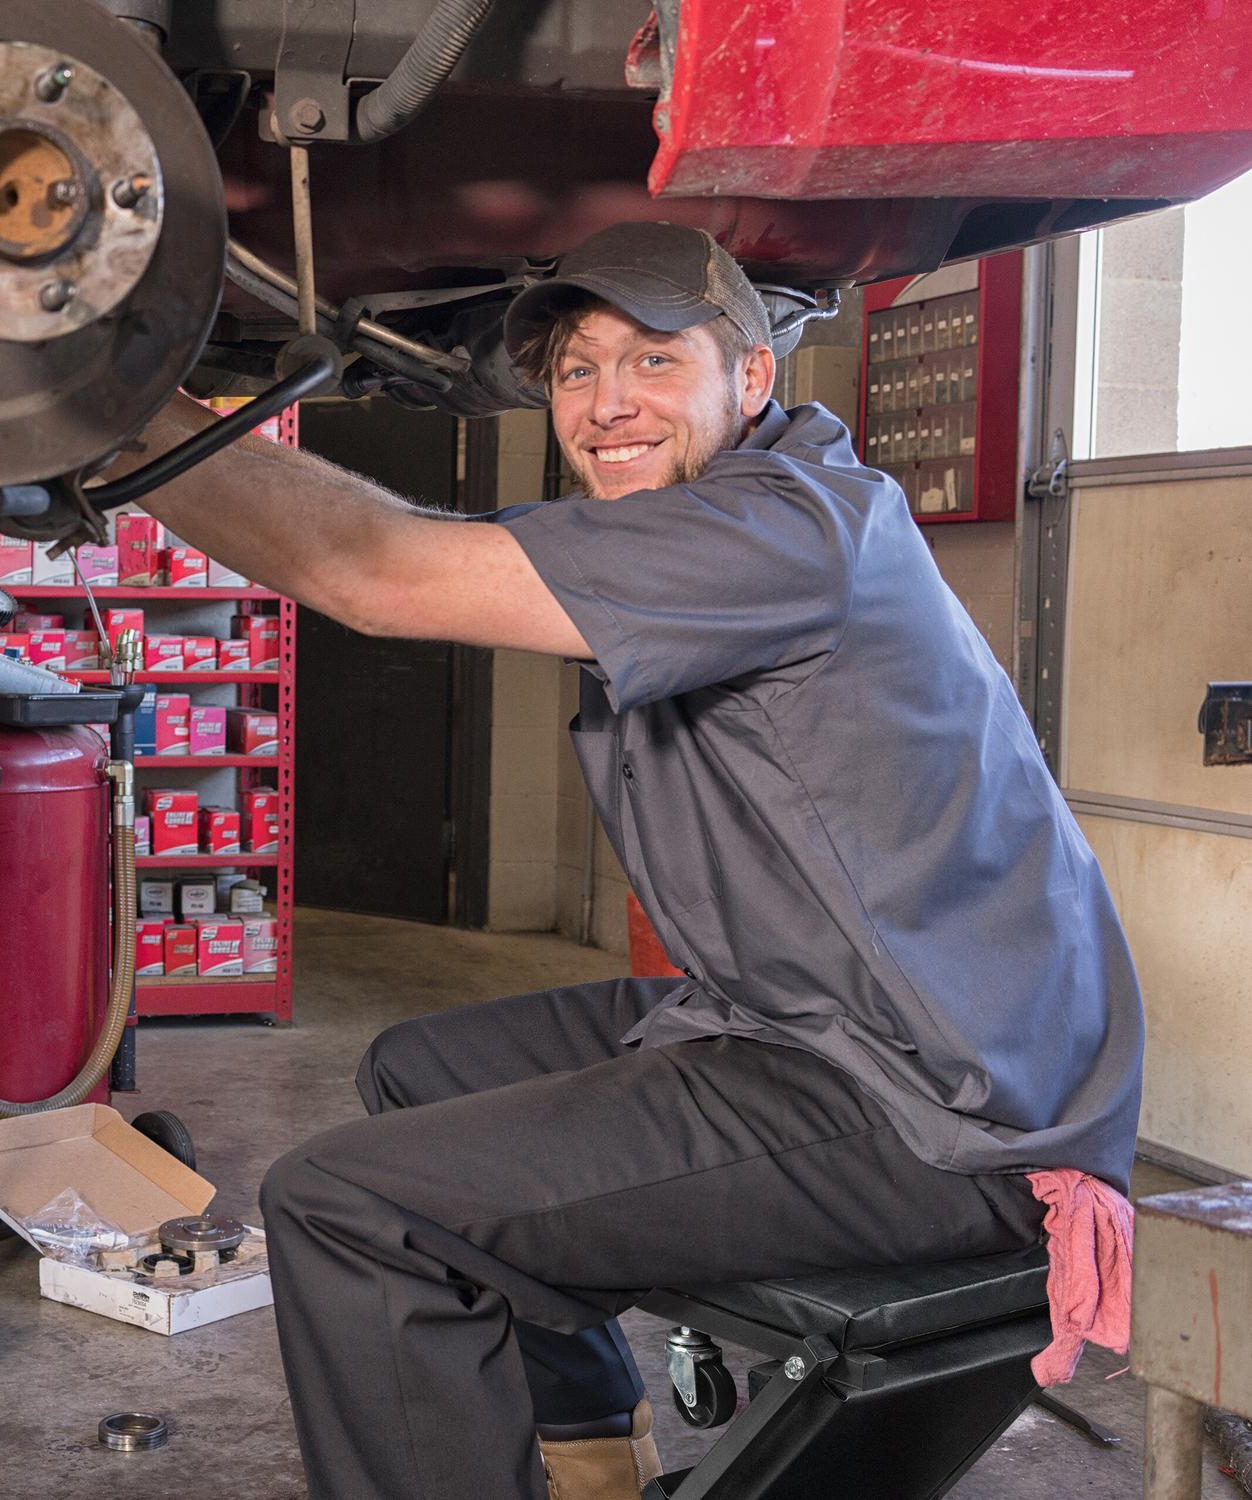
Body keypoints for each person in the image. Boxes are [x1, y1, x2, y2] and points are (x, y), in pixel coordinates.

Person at [135, 221, 1145, 1500]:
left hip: (940, 1105)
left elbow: (374, 573)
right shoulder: (720, 523)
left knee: (344, 1205)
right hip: (811, 1025)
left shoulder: (787, 533)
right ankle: (598, 1455)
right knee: (417, 1064)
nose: (607, 403)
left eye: (655, 362)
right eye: (574, 371)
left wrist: (114, 416)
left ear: (752, 381)